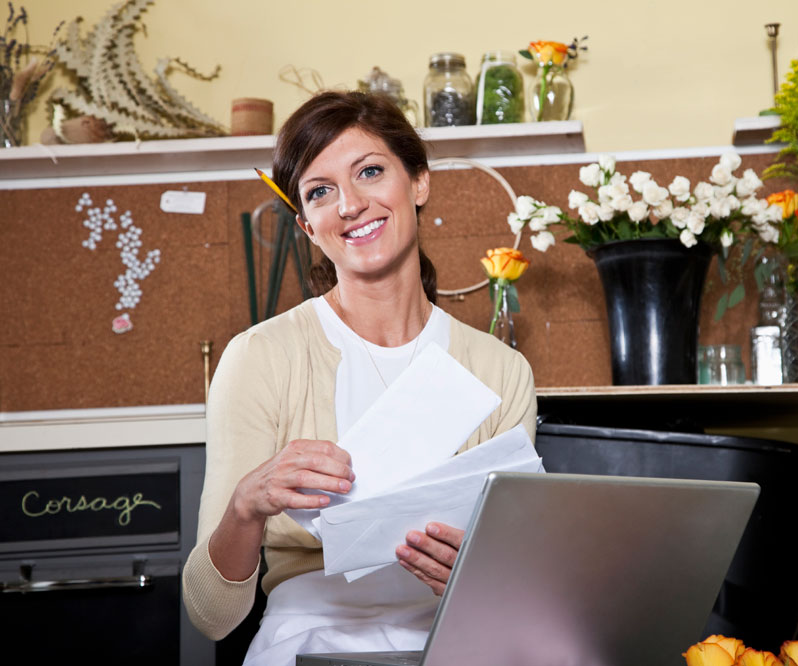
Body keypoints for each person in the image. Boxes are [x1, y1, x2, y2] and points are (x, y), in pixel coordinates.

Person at [181, 91, 537, 665]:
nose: (349, 204)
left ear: (418, 182)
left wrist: (479, 579)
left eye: (369, 171)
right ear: (307, 224)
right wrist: (246, 505)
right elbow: (211, 617)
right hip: (305, 641)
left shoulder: (499, 369)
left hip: (452, 640)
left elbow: (513, 595)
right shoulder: (260, 357)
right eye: (320, 192)